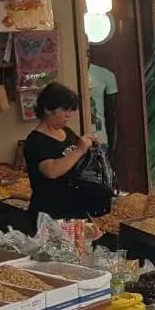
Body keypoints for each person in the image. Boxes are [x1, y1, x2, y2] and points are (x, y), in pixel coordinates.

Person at [23, 82, 108, 223]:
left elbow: (78, 161)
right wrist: (80, 149)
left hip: (76, 212)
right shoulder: (35, 141)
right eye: (64, 110)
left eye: (71, 110)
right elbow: (52, 171)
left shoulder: (66, 132)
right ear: (47, 109)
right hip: (51, 216)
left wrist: (90, 146)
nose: (69, 115)